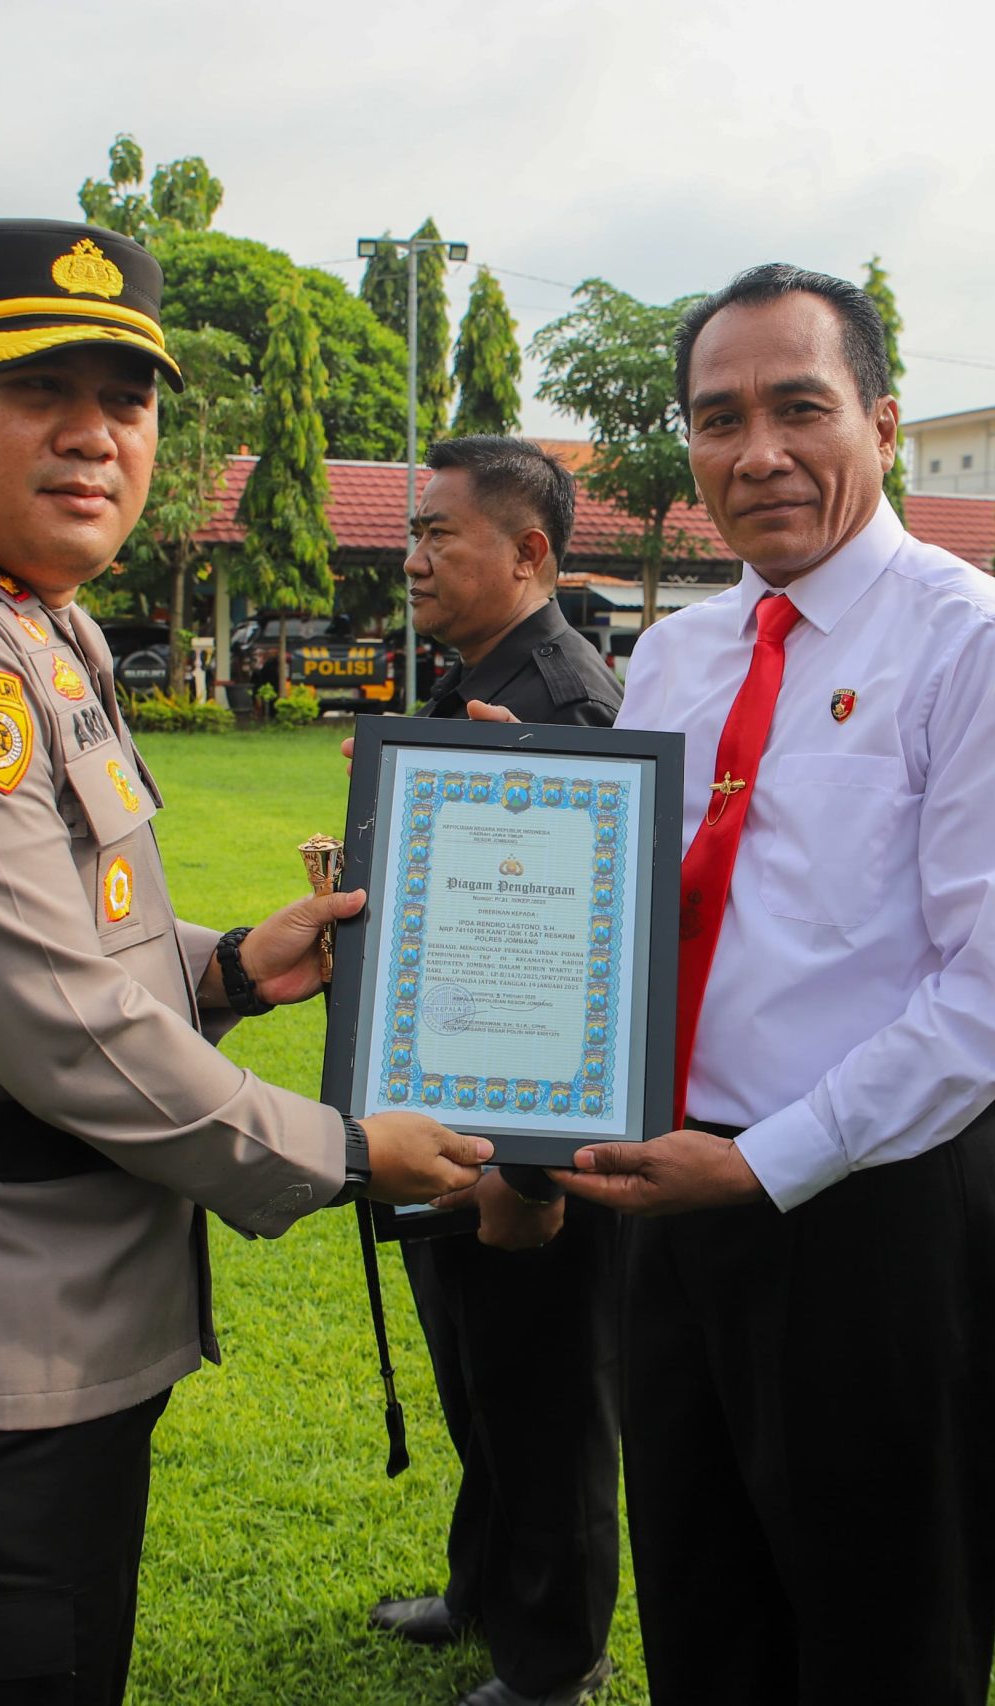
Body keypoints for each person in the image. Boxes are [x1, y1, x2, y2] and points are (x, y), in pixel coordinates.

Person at [0, 218, 488, 1706]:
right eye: (39, 386)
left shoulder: (25, 614)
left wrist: (227, 966)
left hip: (48, 1311)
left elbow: (68, 931)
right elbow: (68, 1029)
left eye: (130, 398)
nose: (95, 435)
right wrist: (349, 1151)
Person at [541, 263, 995, 1704]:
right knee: (700, 1591)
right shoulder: (673, 652)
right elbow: (632, 909)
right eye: (719, 419)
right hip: (668, 1189)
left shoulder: (983, 647)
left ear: (885, 420)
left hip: (877, 1207)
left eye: (802, 407)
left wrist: (767, 1164)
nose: (759, 452)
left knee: (880, 1621)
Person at [363, 435, 625, 1706]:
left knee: (544, 1396)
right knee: (479, 1375)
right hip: (450, 1108)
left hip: (519, 1126)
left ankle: (550, 1659)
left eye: (439, 535)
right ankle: (483, 1589)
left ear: (529, 553)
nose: (412, 555)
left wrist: (533, 1168)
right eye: (413, 531)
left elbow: (576, 960)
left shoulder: (561, 701)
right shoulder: (484, 673)